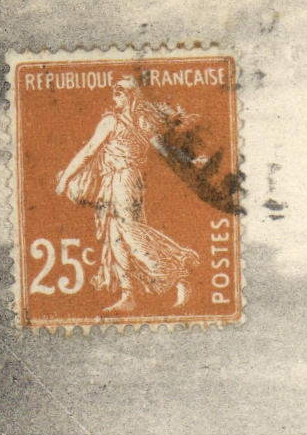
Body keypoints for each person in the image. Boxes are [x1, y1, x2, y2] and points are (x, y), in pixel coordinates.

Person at [55, 78, 203, 313]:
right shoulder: (126, 120)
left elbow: (90, 151)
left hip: (124, 180)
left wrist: (65, 179)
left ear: (132, 97)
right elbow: (91, 151)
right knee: (115, 236)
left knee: (129, 231)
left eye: (122, 94)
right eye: (116, 94)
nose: (117, 99)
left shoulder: (122, 122)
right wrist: (190, 162)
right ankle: (128, 295)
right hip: (116, 181)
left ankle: (177, 270)